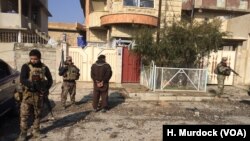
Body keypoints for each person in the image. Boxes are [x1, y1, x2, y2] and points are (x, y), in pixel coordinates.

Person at [17, 49, 53, 141]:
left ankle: (36, 131)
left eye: (35, 59)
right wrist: (30, 85)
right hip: (27, 95)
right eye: (31, 58)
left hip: (39, 95)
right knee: (24, 115)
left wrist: (45, 89)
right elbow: (22, 79)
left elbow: (50, 79)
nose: (33, 60)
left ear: (39, 58)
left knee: (37, 114)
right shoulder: (26, 66)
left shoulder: (44, 68)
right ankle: (23, 134)